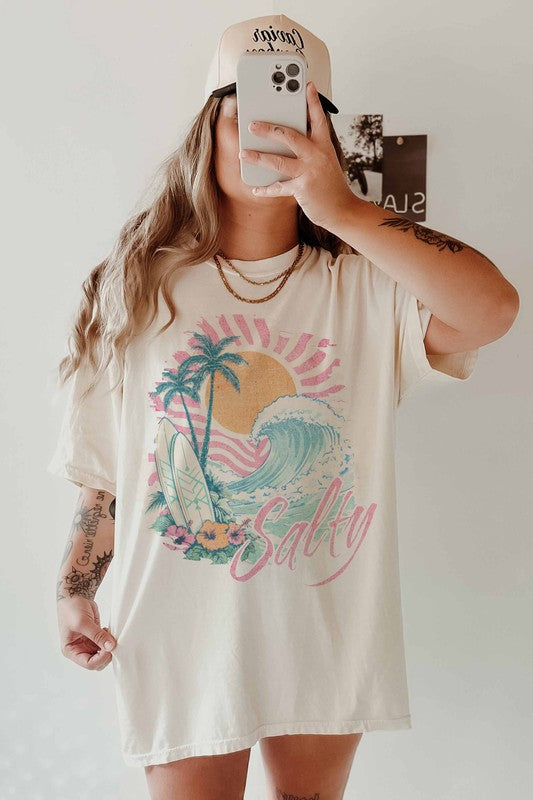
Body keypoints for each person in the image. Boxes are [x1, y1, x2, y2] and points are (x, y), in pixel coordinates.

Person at [47, 12, 519, 800]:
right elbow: (105, 472)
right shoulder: (131, 286)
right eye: (248, 115)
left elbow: (492, 311)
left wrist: (343, 211)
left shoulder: (363, 284)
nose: (269, 136)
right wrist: (73, 590)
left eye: (294, 119)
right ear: (207, 132)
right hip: (176, 627)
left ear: (326, 141)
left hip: (324, 624)